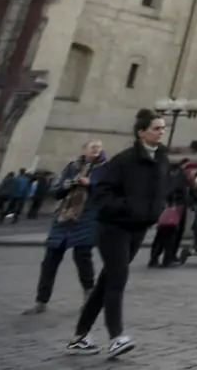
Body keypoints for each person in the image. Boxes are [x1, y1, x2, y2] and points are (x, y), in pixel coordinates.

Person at [67, 109, 167, 358]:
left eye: (163, 128)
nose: (161, 132)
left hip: (139, 227)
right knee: (117, 278)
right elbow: (101, 194)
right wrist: (129, 208)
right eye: (156, 128)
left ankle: (80, 336)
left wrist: (156, 209)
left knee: (105, 282)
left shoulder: (162, 158)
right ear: (142, 132)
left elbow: (160, 189)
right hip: (114, 227)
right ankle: (116, 337)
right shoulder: (124, 160)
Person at [23, 140, 106, 315]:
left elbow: (106, 191)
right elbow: (56, 191)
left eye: (99, 148)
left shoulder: (105, 168)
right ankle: (41, 301)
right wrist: (66, 185)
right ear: (84, 150)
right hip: (64, 218)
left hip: (87, 218)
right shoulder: (72, 166)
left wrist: (89, 184)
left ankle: (89, 296)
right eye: (93, 147)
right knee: (49, 261)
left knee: (82, 258)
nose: (96, 150)